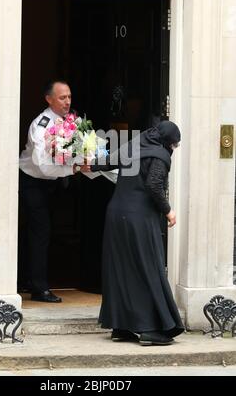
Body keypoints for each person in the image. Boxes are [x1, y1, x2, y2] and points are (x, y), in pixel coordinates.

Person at [91, 121, 184, 345]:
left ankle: (121, 326)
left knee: (122, 269)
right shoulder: (160, 154)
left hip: (116, 215)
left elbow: (102, 164)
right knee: (148, 267)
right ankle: (150, 328)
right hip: (139, 218)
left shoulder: (133, 146)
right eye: (175, 144)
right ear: (168, 142)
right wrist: (169, 211)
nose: (173, 149)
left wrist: (80, 162)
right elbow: (153, 185)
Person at [19, 80, 90, 303]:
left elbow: (86, 147)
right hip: (33, 181)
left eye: (69, 97)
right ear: (49, 99)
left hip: (55, 182)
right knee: (39, 233)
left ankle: (28, 279)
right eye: (62, 97)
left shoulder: (74, 121)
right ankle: (38, 288)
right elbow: (41, 164)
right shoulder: (41, 125)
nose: (67, 102)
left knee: (44, 232)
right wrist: (74, 168)